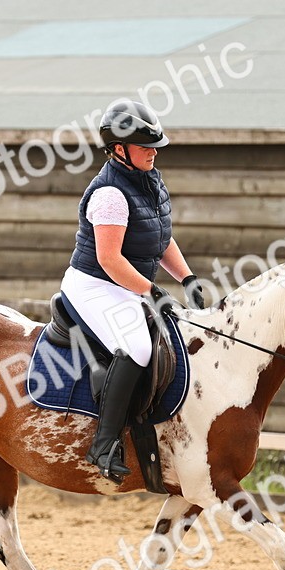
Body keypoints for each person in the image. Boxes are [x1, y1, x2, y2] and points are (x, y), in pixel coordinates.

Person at [61, 99, 207, 485]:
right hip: (95, 285)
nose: (153, 153)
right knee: (139, 348)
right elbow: (110, 259)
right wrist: (154, 292)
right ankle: (104, 443)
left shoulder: (149, 179)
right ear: (119, 149)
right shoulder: (109, 193)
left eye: (155, 147)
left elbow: (159, 238)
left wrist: (188, 279)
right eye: (146, 147)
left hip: (126, 284)